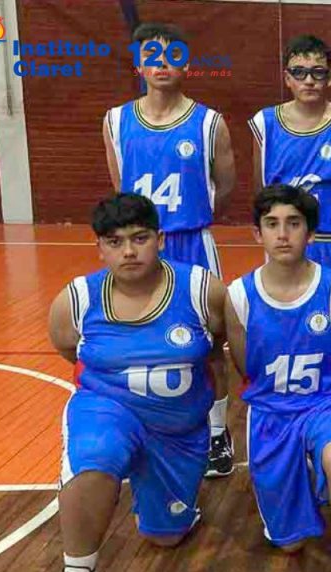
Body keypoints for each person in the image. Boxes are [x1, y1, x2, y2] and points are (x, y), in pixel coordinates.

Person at [47, 194, 227, 572]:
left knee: (166, 536)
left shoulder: (201, 290)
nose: (128, 251)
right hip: (109, 407)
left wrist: (217, 421)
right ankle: (78, 569)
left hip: (177, 431)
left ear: (160, 239)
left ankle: (164, 501)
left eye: (139, 238)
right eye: (114, 242)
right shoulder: (76, 300)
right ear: (99, 248)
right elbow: (68, 349)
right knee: (97, 454)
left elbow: (218, 350)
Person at [103, 22, 238, 478]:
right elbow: (120, 188)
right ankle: (149, 429)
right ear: (138, 64)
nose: (162, 64)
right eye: (151, 55)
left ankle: (216, 432)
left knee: (209, 344)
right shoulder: (116, 120)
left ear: (186, 63)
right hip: (138, 246)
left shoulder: (209, 122)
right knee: (139, 340)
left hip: (191, 241)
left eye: (172, 54)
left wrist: (191, 216)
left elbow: (225, 187)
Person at [224, 185, 331, 572]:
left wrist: (324, 396)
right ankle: (308, 472)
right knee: (290, 545)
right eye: (272, 224)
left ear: (311, 232)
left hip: (324, 402)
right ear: (257, 234)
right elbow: (245, 366)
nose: (283, 234)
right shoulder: (239, 295)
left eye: (294, 223)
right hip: (270, 410)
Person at [249, 35, 331, 284]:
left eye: (318, 72)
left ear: (330, 77)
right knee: (282, 306)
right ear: (287, 78)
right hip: (284, 242)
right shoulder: (265, 124)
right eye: (299, 72)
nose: (309, 80)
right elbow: (261, 189)